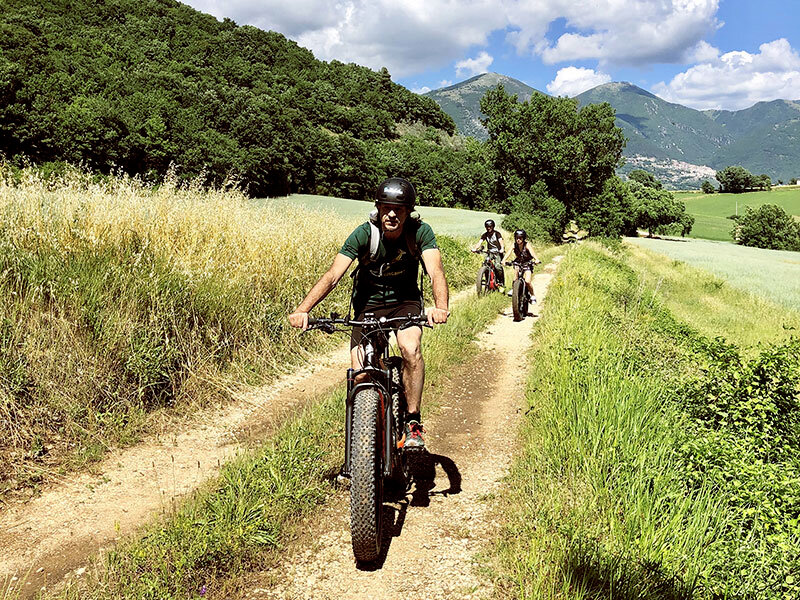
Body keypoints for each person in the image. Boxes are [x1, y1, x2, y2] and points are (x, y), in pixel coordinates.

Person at [288, 177, 449, 449]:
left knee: (410, 348)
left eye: (399, 209)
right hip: (368, 306)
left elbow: (435, 271)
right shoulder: (364, 234)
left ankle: (413, 422)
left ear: (408, 211)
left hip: (405, 302)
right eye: (386, 207)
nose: (392, 214)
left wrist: (440, 306)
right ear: (378, 207)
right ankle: (359, 447)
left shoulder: (420, 232)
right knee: (359, 373)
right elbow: (333, 276)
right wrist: (303, 310)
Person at [509, 229, 541, 302]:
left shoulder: (527, 245)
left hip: (527, 263)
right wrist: (503, 260)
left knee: (527, 281)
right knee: (515, 278)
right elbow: (508, 252)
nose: (518, 240)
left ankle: (532, 295)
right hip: (518, 262)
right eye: (517, 238)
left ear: (523, 238)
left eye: (520, 238)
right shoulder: (514, 245)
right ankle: (514, 289)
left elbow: (532, 253)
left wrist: (536, 259)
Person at [472, 219, 505, 287]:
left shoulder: (497, 234)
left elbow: (501, 242)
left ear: (493, 227)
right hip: (489, 252)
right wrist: (475, 248)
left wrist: (502, 249)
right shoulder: (485, 235)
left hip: (497, 252)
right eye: (487, 227)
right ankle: (488, 280)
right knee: (485, 264)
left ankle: (501, 282)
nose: (488, 228)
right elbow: (480, 242)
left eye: (490, 227)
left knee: (497, 266)